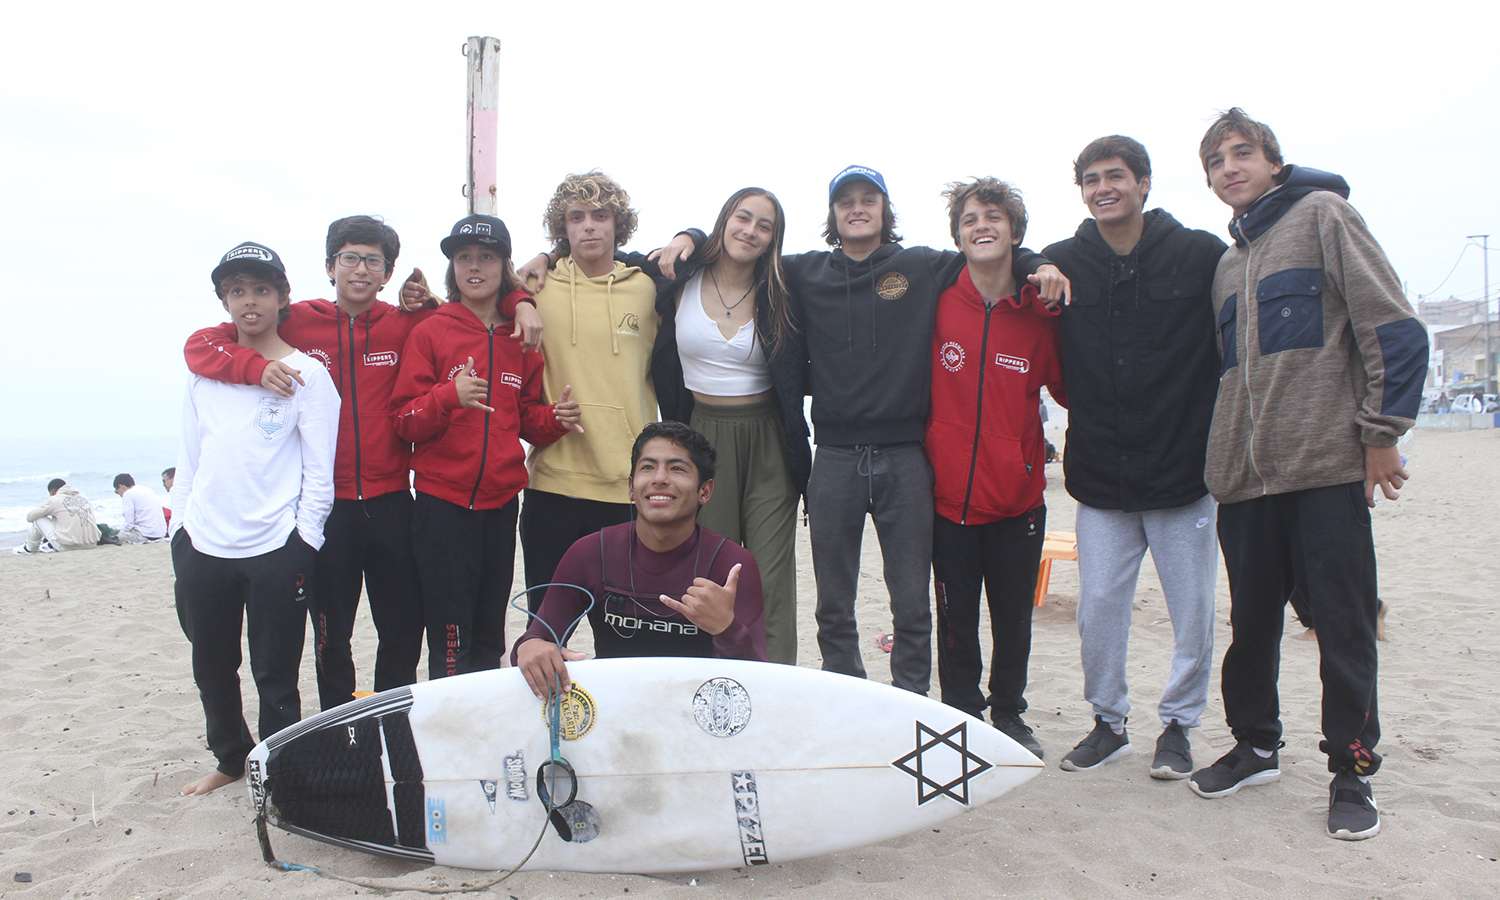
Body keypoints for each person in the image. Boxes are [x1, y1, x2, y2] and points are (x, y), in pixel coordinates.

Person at [660, 165, 1068, 696]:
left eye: (868, 199)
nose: (857, 208)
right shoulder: (803, 272)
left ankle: (909, 700)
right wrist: (690, 235)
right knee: (834, 602)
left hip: (905, 458)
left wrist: (1039, 261)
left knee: (911, 600)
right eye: (845, 200)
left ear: (884, 210)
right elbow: (739, 249)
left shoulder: (921, 266)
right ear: (832, 214)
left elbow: (989, 253)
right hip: (832, 457)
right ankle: (845, 696)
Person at [180, 216, 542, 709]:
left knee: (402, 629)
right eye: (349, 258)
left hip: (393, 501)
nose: (360, 270)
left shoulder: (407, 323)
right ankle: (339, 722)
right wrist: (257, 366)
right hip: (329, 510)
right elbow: (202, 345)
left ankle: (390, 719)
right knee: (332, 635)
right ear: (330, 266)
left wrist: (520, 299)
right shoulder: (298, 320)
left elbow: (471, 313)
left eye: (373, 260)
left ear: (388, 272)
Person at [1188, 109, 1428, 842]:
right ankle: (1256, 745)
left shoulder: (1324, 215)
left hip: (1323, 467)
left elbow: (1391, 327)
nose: (1230, 168)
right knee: (1250, 626)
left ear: (1274, 163)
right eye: (1216, 162)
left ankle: (1351, 772)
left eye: (1243, 154)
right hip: (1245, 480)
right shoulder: (1227, 265)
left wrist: (1381, 435)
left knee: (1342, 627)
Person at [1040, 136, 1227, 779]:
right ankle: (1108, 722)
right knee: (1098, 611)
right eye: (1090, 180)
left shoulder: (1201, 254)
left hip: (1183, 476)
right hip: (1100, 478)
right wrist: (1036, 267)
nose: (1102, 188)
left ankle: (1178, 725)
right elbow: (1013, 269)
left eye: (1114, 176)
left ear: (1144, 183)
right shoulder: (1063, 260)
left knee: (1193, 614)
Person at [171, 241, 339, 796]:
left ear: (282, 297)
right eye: (237, 291)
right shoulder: (206, 375)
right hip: (204, 545)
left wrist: (303, 540)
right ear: (224, 299)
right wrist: (181, 535)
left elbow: (320, 471)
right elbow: (191, 461)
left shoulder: (309, 376)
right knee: (212, 667)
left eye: (261, 290)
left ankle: (279, 766)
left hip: (275, 546)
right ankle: (230, 757)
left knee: (275, 671)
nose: (249, 302)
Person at [392, 213, 580, 680]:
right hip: (442, 506)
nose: (475, 267)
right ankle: (450, 743)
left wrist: (555, 420)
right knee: (450, 639)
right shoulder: (431, 330)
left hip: (500, 507)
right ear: (452, 267)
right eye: (464, 258)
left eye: (487, 257)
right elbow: (404, 421)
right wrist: (447, 397)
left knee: (490, 636)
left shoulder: (523, 338)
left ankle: (483, 742)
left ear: (504, 265)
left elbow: (528, 420)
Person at [925, 178, 1065, 758]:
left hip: (1017, 501)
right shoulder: (934, 301)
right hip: (947, 500)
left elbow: (1071, 388)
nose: (981, 225)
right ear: (957, 235)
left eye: (994, 217)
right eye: (970, 218)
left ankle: (1008, 711)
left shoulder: (1038, 316)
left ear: (1014, 231)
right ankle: (961, 713)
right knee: (955, 620)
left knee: (1013, 621)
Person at [647, 188, 809, 665]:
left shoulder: (784, 286)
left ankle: (776, 679)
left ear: (773, 240)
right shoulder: (680, 277)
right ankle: (709, 677)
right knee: (707, 571)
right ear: (724, 220)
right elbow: (612, 257)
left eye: (765, 226)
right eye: (743, 217)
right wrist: (687, 236)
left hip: (768, 439)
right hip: (701, 435)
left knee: (769, 573)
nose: (751, 231)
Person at [515, 172, 684, 611]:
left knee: (627, 643)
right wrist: (517, 298)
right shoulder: (536, 287)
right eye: (576, 217)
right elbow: (476, 297)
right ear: (563, 229)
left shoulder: (648, 288)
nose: (589, 226)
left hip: (628, 489)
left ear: (617, 225)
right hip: (553, 488)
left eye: (600, 215)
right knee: (549, 636)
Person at [512, 421, 766, 699]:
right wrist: (529, 646)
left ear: (705, 491)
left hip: (698, 718)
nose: (660, 478)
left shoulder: (731, 564)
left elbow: (761, 680)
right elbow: (536, 640)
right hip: (615, 712)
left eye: (677, 468)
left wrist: (726, 629)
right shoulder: (591, 553)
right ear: (631, 488)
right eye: (648, 467)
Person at [17, 479, 100, 554]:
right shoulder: (84, 498)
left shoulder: (55, 499)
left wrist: (46, 512)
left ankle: (29, 549)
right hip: (92, 544)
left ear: (53, 491)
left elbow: (30, 517)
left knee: (39, 519)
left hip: (68, 547)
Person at [112, 473, 168, 543]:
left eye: (116, 491)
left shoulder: (128, 494)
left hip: (146, 535)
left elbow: (129, 523)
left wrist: (120, 534)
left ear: (121, 486)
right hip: (161, 533)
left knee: (119, 536)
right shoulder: (147, 489)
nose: (118, 494)